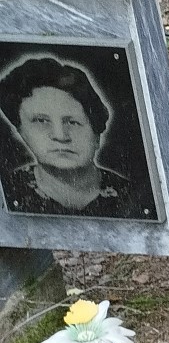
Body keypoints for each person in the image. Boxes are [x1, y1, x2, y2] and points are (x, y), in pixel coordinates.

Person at [0, 54, 156, 220]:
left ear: (96, 134)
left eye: (72, 122)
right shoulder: (8, 191)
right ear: (20, 131)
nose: (60, 136)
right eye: (41, 121)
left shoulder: (134, 196)